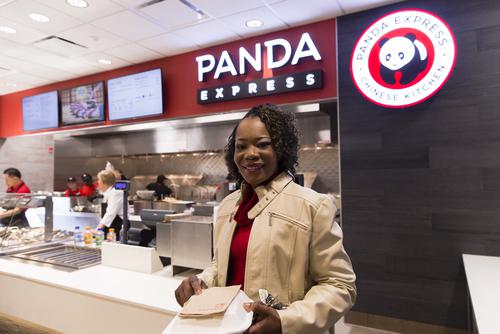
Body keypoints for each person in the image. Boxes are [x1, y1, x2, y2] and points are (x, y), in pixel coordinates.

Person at [174, 104, 356, 334]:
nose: (250, 153)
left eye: (262, 144)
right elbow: (220, 267)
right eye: (241, 146)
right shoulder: (229, 206)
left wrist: (285, 320)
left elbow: (340, 286)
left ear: (281, 149)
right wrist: (201, 282)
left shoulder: (313, 205)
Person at [95, 170, 122, 240]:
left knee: (114, 248)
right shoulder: (108, 192)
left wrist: (98, 228)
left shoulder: (115, 193)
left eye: (99, 180)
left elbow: (111, 213)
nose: (97, 182)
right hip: (111, 225)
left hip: (118, 226)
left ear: (104, 183)